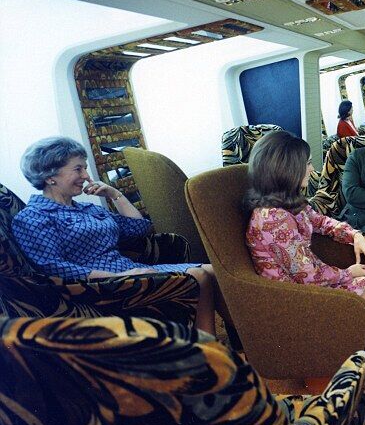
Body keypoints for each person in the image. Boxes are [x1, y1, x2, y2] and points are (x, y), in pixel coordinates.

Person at [244, 129, 365, 425]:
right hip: (300, 304)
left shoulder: (289, 205)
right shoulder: (271, 219)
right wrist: (347, 274)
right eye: (307, 164)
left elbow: (323, 222)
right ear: (287, 170)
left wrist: (355, 236)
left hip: (316, 289)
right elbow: (308, 278)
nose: (312, 170)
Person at [11, 136, 217, 333]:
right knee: (199, 276)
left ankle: (223, 336)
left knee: (214, 271)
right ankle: (207, 345)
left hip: (130, 272)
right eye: (78, 169)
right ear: (50, 177)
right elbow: (52, 266)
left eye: (85, 168)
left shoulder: (86, 209)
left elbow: (139, 228)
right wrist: (116, 277)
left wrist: (114, 194)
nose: (86, 176)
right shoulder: (33, 217)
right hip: (103, 287)